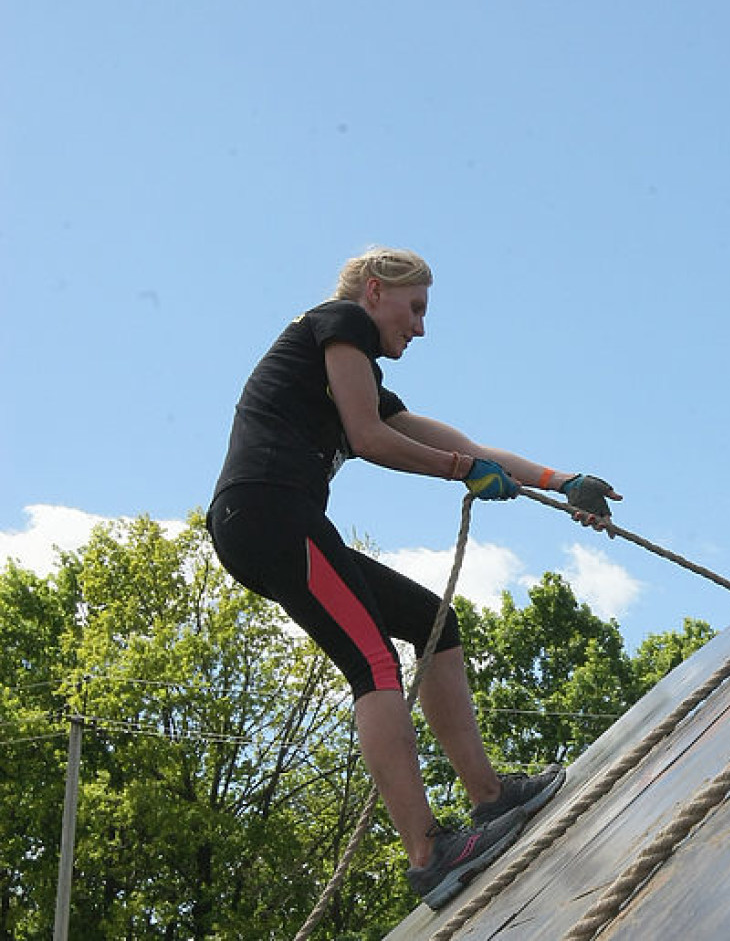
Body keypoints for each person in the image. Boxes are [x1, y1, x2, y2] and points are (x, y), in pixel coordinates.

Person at [206, 247, 621, 908]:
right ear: (375, 292)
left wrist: (560, 480)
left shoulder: (356, 367)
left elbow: (463, 444)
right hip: (266, 512)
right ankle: (428, 852)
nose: (421, 328)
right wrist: (460, 471)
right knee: (372, 659)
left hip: (271, 519)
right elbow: (370, 439)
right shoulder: (340, 323)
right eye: (416, 307)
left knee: (433, 621)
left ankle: (488, 796)